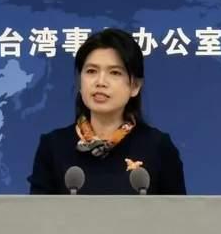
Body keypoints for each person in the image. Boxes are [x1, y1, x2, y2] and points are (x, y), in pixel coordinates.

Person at [27, 28, 186, 195]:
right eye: (91, 71)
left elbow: (178, 211)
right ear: (80, 82)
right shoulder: (53, 147)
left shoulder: (158, 147)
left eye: (115, 72)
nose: (100, 82)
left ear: (135, 86)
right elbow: (37, 211)